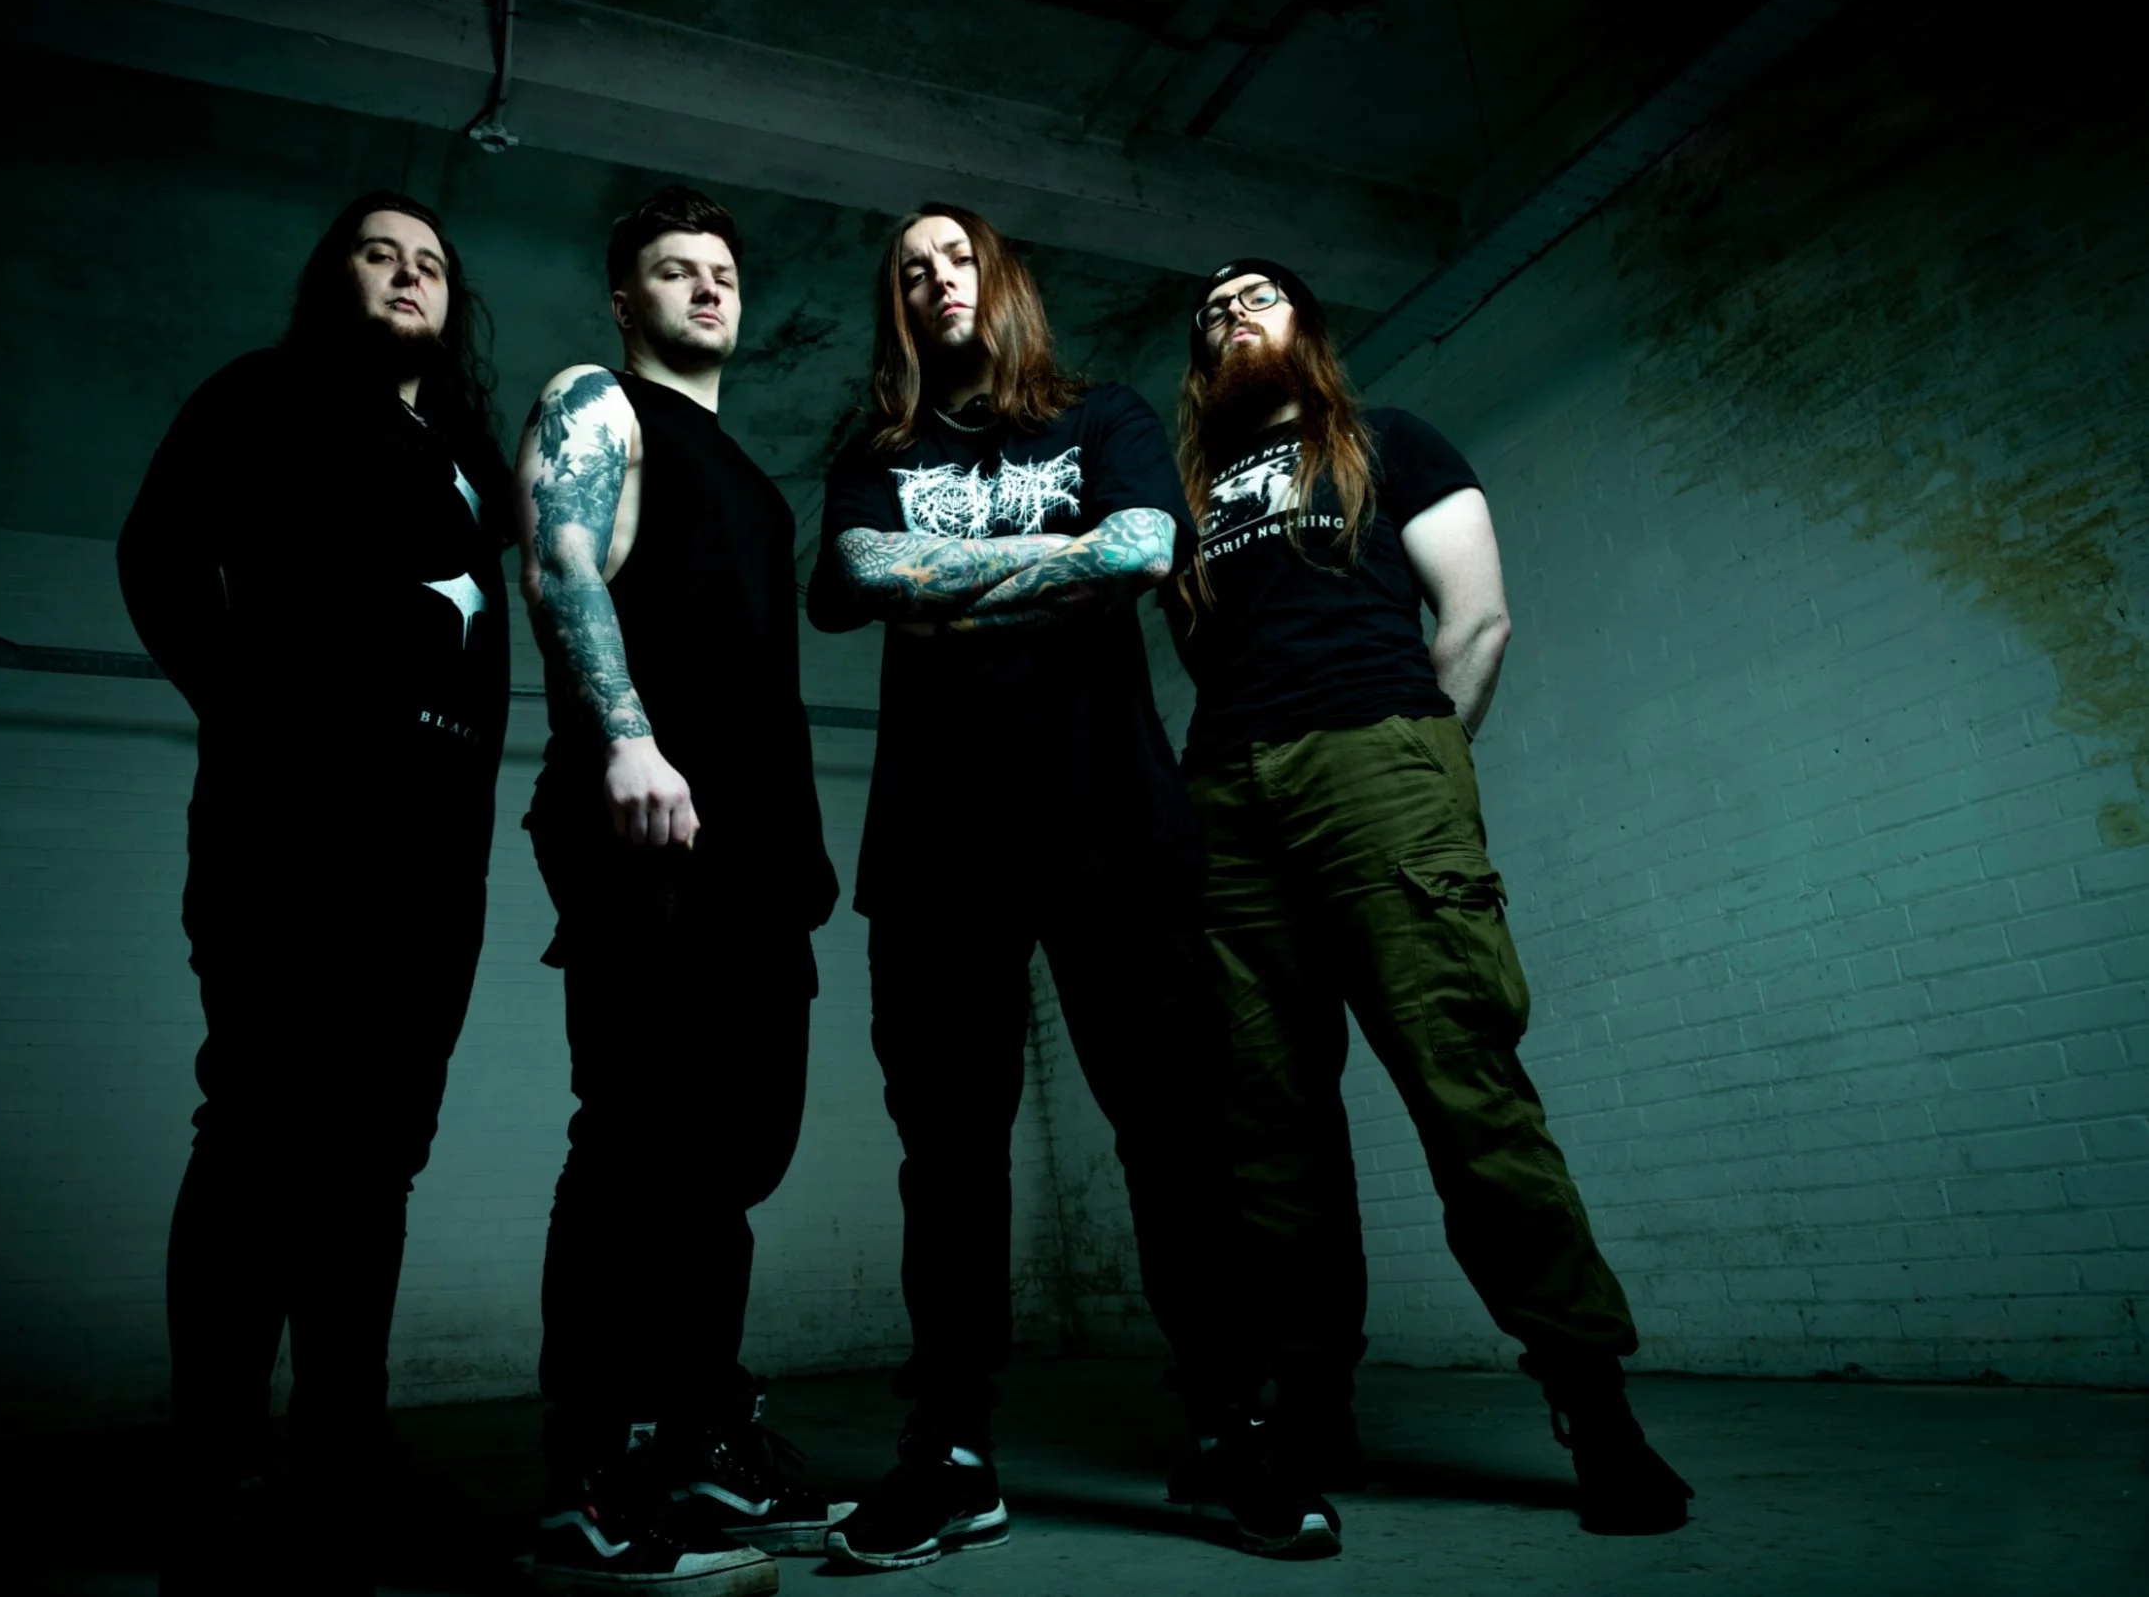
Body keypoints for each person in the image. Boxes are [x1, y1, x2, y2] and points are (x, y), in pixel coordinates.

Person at [806, 205, 1339, 1569]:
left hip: (1115, 824)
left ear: (1003, 280)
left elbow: (1142, 551)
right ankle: (952, 1449)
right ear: (896, 303)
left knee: (1175, 1132)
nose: (934, 279)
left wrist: (954, 591)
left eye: (956, 257)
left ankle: (1228, 1431)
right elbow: (866, 572)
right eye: (908, 269)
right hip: (937, 843)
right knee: (951, 1150)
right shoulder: (877, 453)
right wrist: (1051, 570)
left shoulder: (1098, 416)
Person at [1165, 258, 1697, 1535]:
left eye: (1258, 297)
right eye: (1213, 311)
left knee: (1463, 1080)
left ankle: (1593, 1402)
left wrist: (1419, 768)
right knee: (1264, 1123)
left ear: (1306, 328)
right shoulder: (1186, 503)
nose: (1233, 314)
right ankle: (1311, 1403)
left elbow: (1475, 620)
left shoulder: (1386, 440)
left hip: (1377, 760)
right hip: (1225, 796)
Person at [117, 189, 513, 1591]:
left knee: (376, 1149)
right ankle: (216, 1472)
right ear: (329, 276)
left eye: (431, 263)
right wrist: (246, 708)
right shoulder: (265, 393)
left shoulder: (464, 453)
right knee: (264, 1122)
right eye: (379, 251)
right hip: (293, 820)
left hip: (434, 850)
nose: (409, 274)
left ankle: (344, 1451)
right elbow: (157, 557)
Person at [515, 186, 848, 1595]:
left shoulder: (751, 475)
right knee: (639, 1138)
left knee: (727, 1167)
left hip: (758, 863)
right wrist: (629, 738)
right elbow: (562, 558)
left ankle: (704, 1434)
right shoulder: (602, 403)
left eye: (722, 272)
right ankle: (590, 1473)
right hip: (648, 818)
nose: (707, 289)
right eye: (674, 269)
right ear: (624, 296)